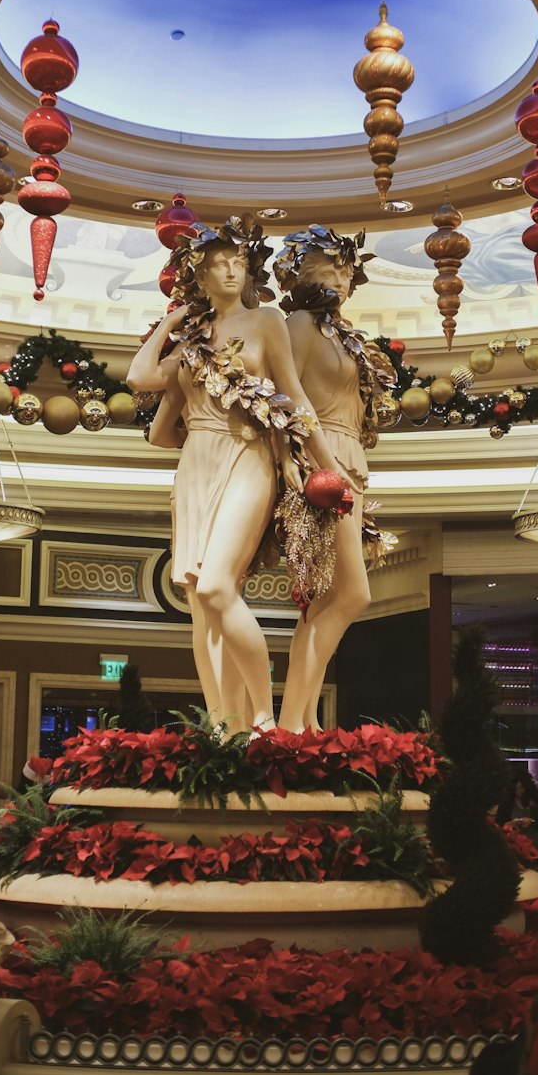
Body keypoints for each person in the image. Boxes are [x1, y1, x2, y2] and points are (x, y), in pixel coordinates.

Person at [127, 216, 338, 733]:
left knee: (219, 586)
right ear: (198, 276)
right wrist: (171, 322)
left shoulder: (265, 321)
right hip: (196, 463)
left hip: (246, 456)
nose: (229, 271)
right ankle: (226, 724)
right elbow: (140, 379)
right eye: (217, 264)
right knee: (200, 603)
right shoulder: (194, 344)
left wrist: (328, 464)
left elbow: (293, 395)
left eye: (238, 262)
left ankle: (265, 714)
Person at [270, 226, 398, 733]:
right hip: (323, 464)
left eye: (346, 270)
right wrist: (315, 464)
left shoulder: (337, 333)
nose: (341, 278)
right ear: (301, 274)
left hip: (345, 458)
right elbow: (286, 397)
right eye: (330, 268)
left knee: (323, 599)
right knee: (353, 596)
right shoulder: (298, 324)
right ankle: (291, 720)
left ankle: (299, 722)